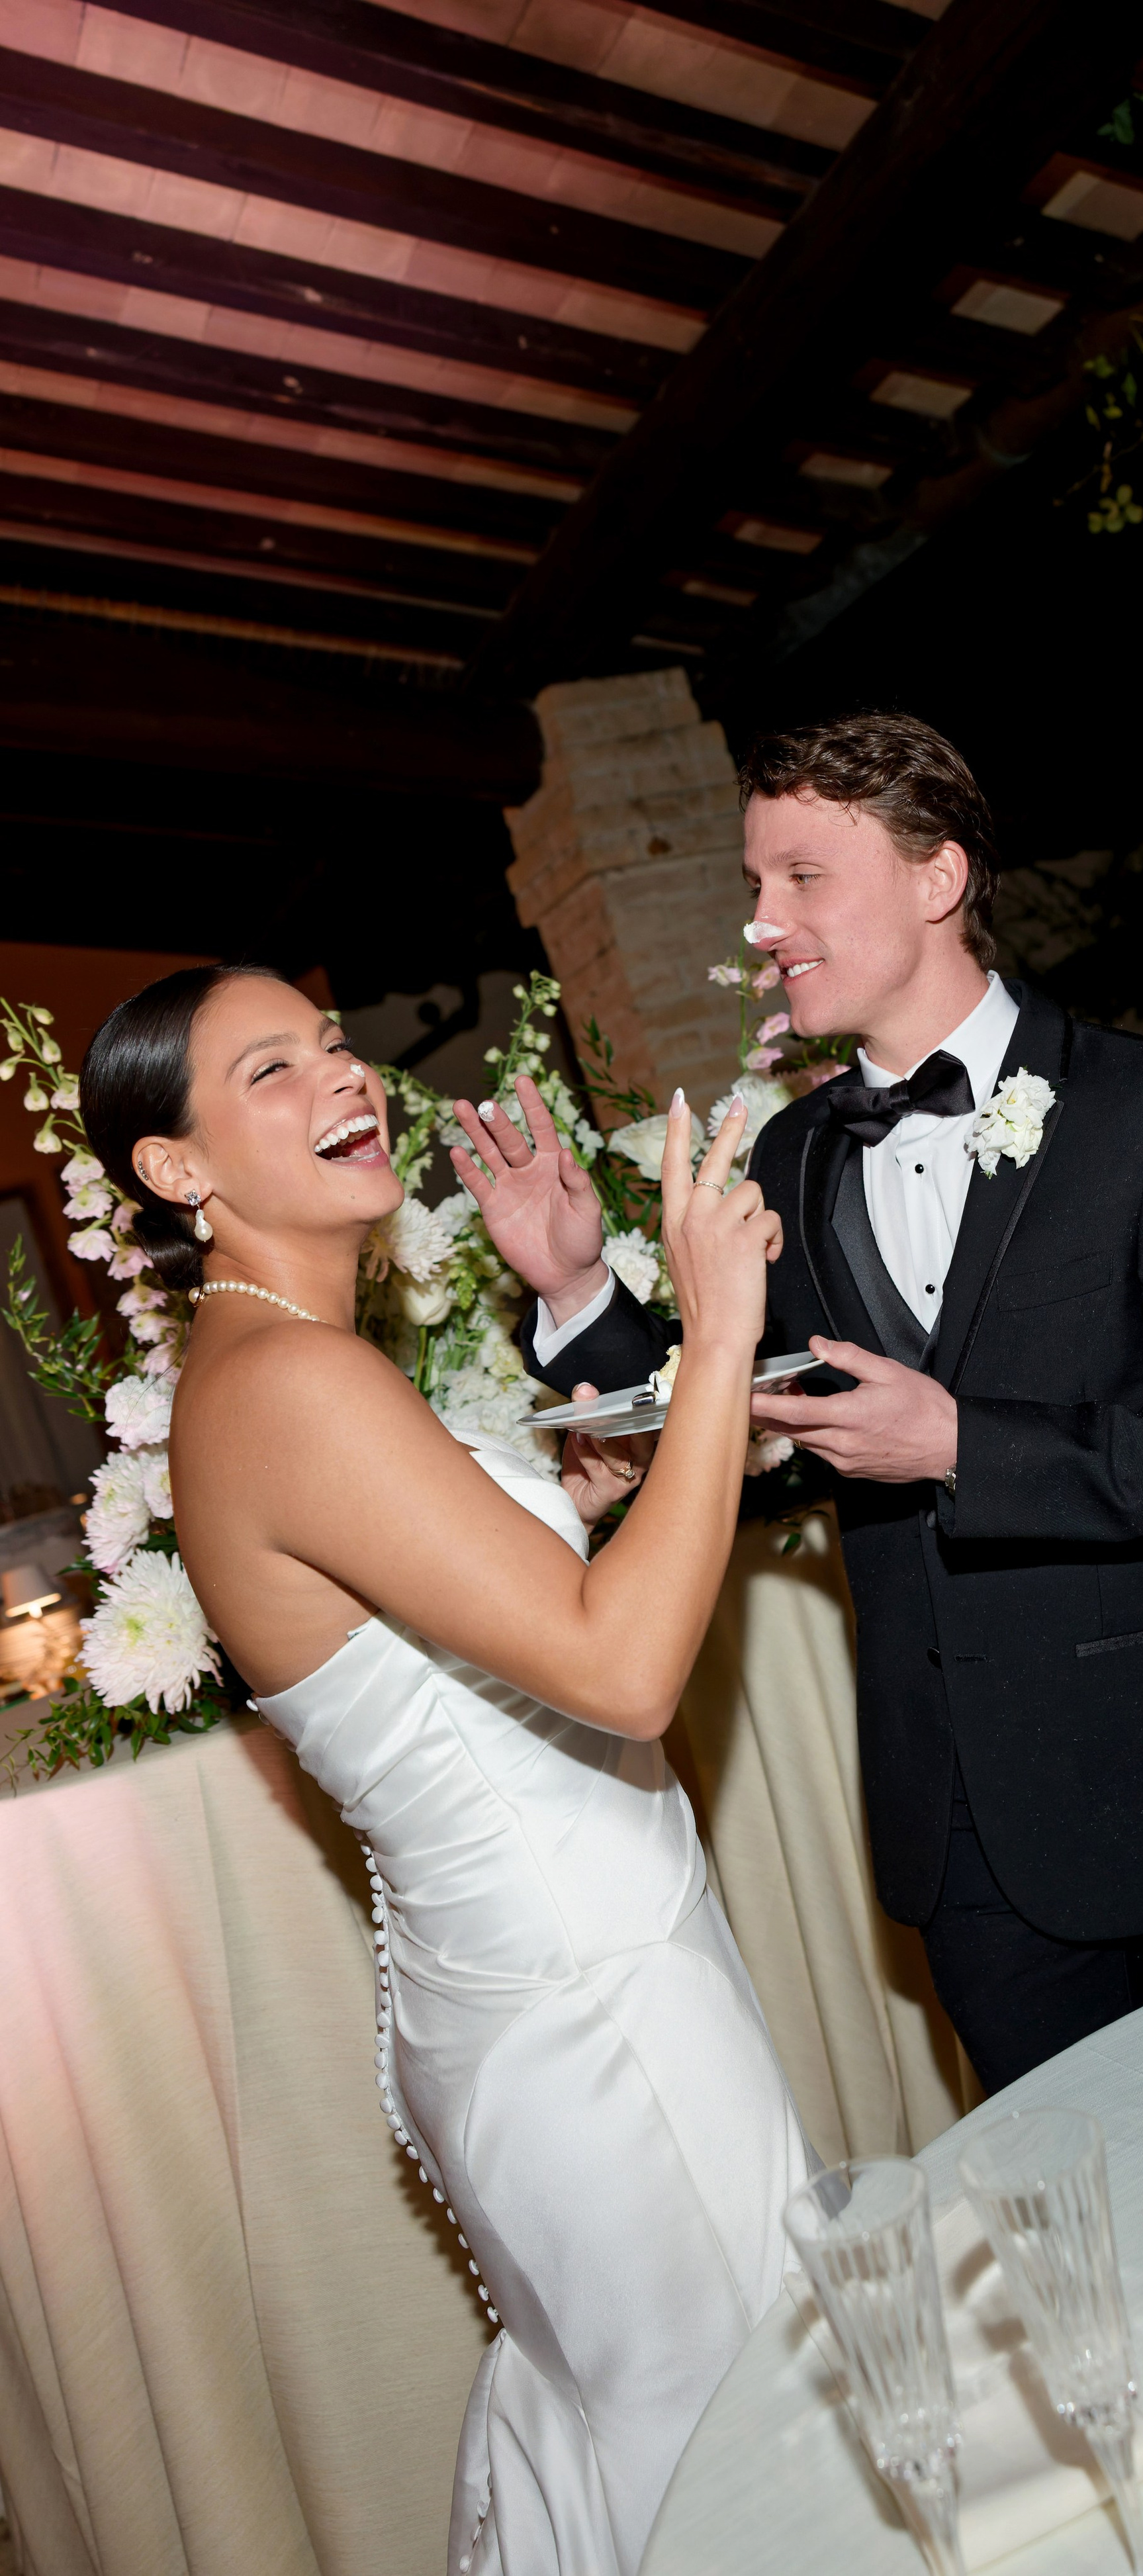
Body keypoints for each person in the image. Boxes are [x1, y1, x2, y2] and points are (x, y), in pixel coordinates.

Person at [80, 964, 811, 2576]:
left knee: (663, 2421)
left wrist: (588, 1490)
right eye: (267, 1070)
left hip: (540, 1980)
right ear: (174, 1169)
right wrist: (715, 1334)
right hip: (595, 2008)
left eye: (332, 1045)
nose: (341, 1079)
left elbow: (493, 1636)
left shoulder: (271, 1363)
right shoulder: (293, 1382)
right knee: (740, 2454)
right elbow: (621, 1668)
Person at [467, 712, 1143, 2096]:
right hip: (958, 1828)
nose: (763, 922)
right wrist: (570, 1287)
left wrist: (964, 1445)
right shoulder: (790, 1152)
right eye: (751, 886)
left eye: (801, 878)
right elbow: (725, 1405)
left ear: (937, 877)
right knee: (1070, 2226)